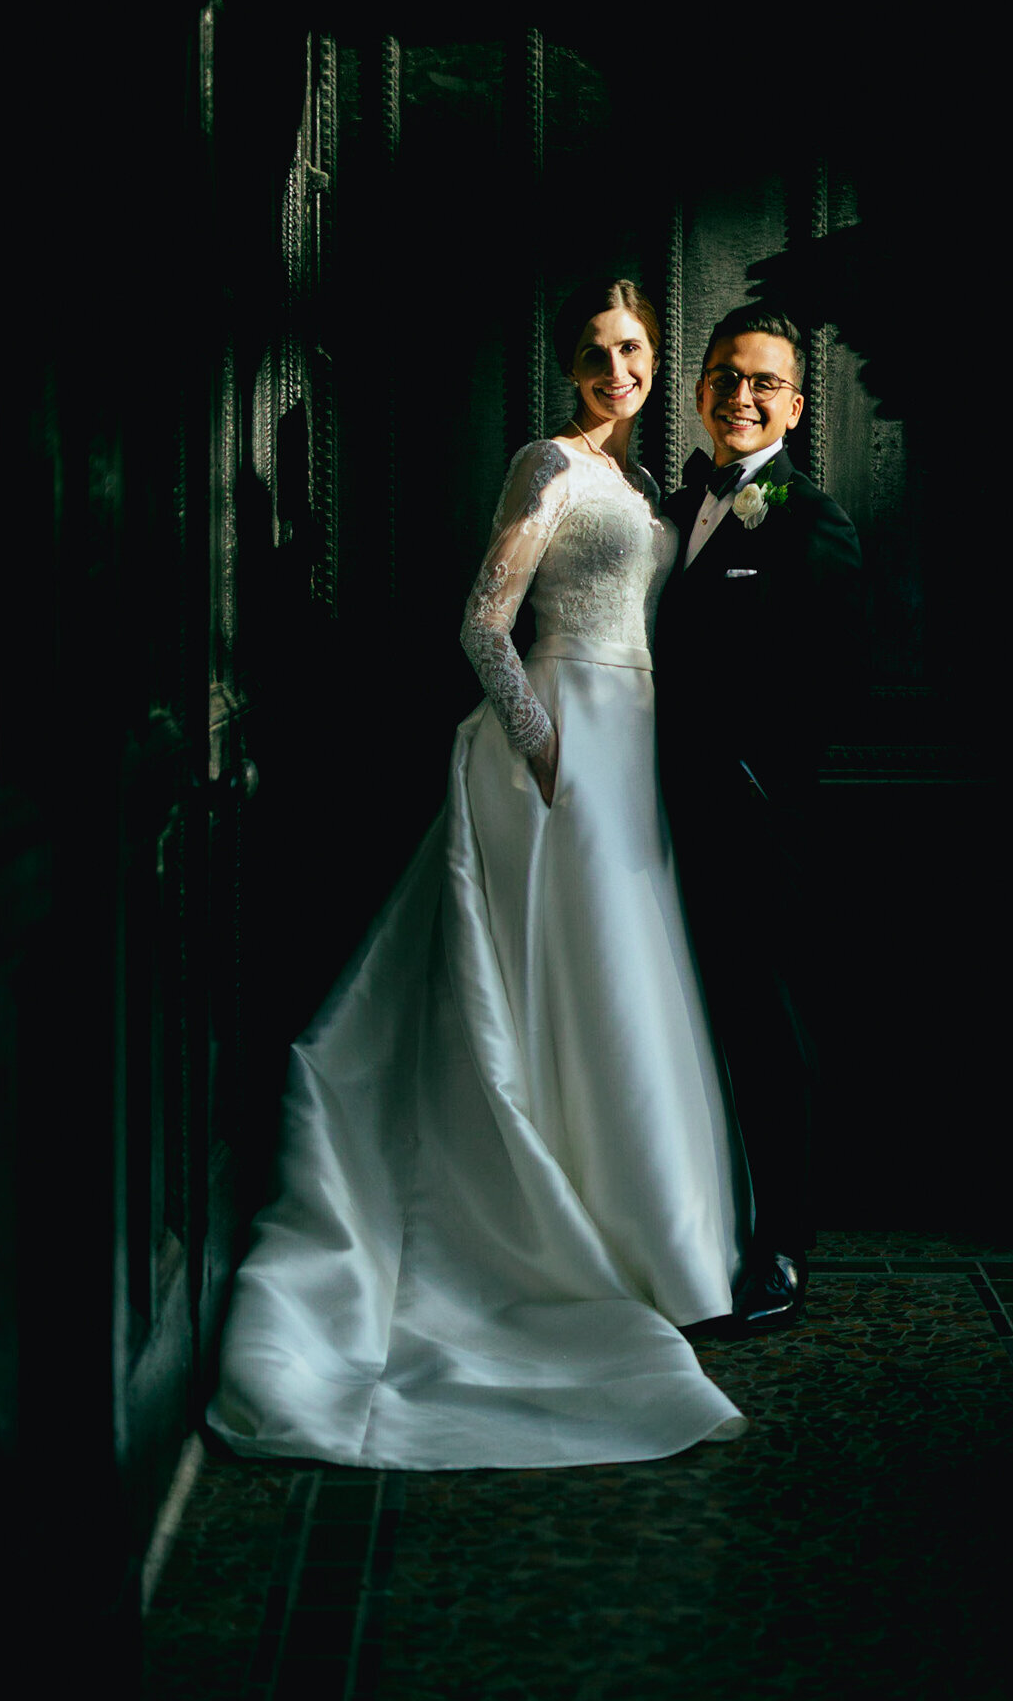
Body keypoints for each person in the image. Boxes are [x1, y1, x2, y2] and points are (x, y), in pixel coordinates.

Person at [207, 278, 749, 1472]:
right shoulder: (546, 464)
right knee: (566, 966)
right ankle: (545, 1234)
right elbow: (480, 619)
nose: (622, 369)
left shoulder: (642, 485)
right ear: (569, 363)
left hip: (635, 745)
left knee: (625, 978)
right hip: (558, 749)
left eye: (639, 351)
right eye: (603, 352)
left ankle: (644, 1234)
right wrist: (543, 744)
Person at [656, 306, 863, 1332]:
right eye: (724, 376)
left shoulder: (808, 517)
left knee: (764, 1028)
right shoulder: (672, 504)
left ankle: (781, 1244)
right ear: (698, 386)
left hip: (750, 825)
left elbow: (822, 690)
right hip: (646, 817)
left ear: (793, 403)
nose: (740, 397)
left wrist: (749, 783)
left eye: (763, 383)